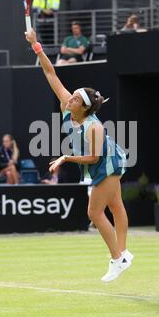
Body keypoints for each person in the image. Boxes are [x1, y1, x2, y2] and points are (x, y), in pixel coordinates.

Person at [26, 27, 133, 283]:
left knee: (94, 214)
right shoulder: (68, 106)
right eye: (71, 96)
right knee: (116, 205)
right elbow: (51, 73)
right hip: (106, 159)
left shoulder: (94, 127)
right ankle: (125, 252)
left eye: (74, 98)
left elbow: (94, 159)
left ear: (84, 106)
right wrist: (37, 46)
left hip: (106, 161)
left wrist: (65, 158)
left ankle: (117, 258)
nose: (69, 98)